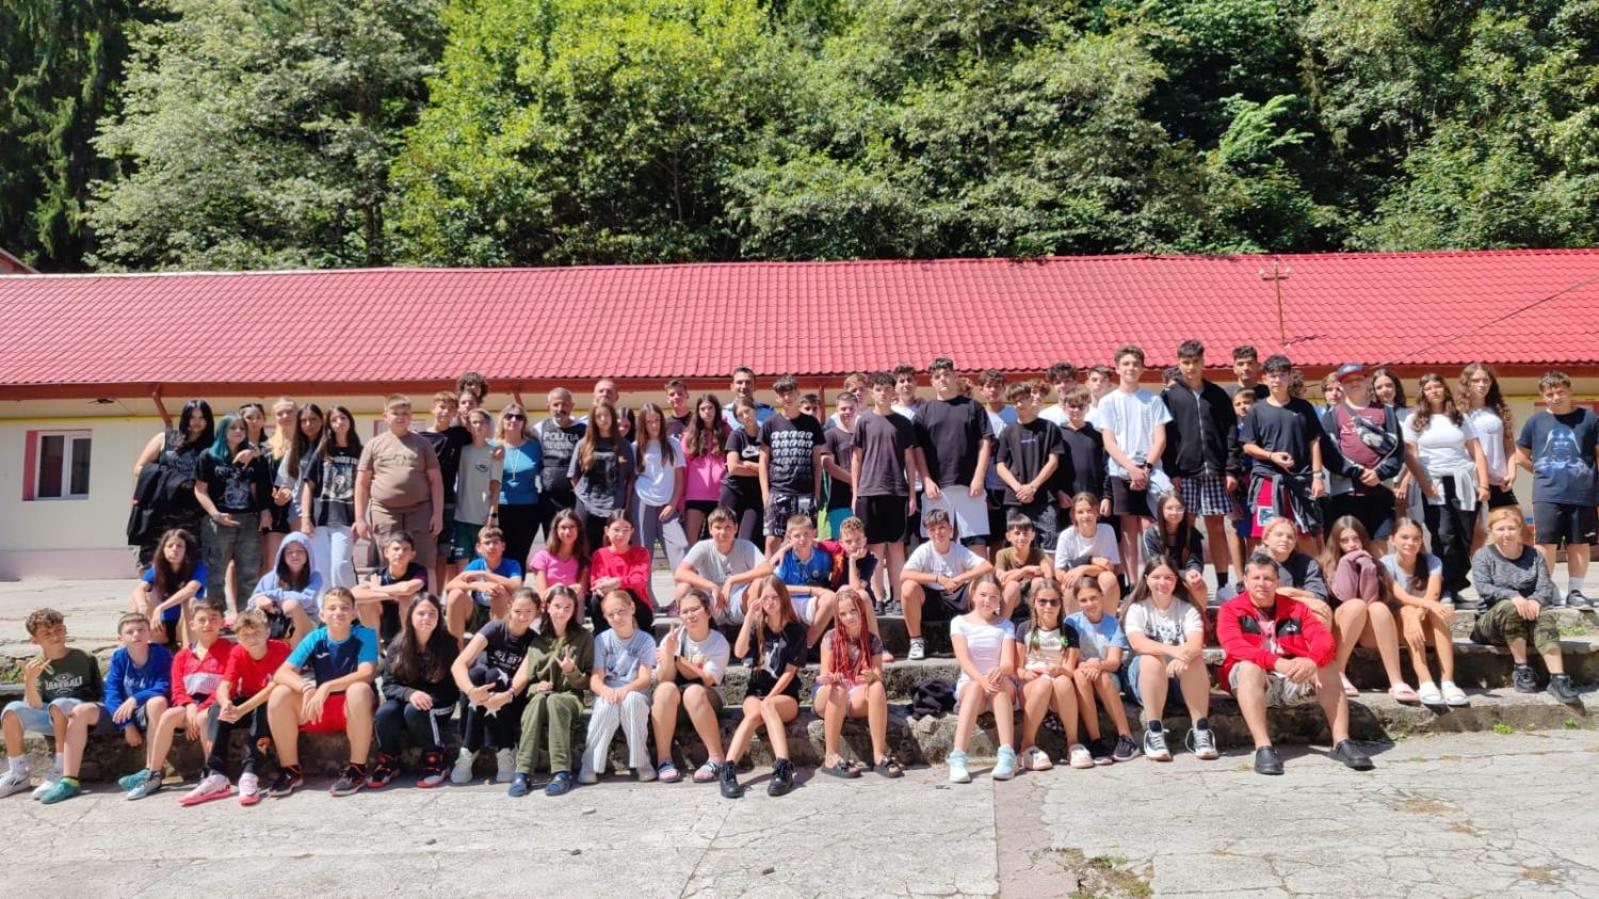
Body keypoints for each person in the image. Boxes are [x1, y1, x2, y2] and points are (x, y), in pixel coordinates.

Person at [1218, 553, 1373, 776]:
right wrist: (1276, 662)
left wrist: (1311, 660)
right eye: (1256, 578)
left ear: (1277, 582)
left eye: (1268, 579)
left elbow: (1324, 640)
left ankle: (1342, 742)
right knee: (1251, 666)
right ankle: (1263, 747)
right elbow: (1235, 647)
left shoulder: (1297, 608)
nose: (1262, 584)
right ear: (1246, 581)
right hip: (1251, 680)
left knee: (1327, 665)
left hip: (1293, 676)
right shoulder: (1230, 609)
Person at [263, 587, 378, 796]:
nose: (338, 612)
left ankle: (357, 769)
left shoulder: (365, 634)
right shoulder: (315, 637)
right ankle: (290, 771)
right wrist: (305, 687)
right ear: (323, 615)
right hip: (321, 708)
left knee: (358, 689)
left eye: (345, 608)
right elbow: (282, 673)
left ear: (354, 613)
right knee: (280, 694)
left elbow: (367, 673)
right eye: (332, 608)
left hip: (354, 708)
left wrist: (326, 686)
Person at [122, 598, 232, 801]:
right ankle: (154, 773)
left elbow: (227, 685)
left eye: (213, 619)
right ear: (192, 624)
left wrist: (200, 709)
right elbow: (178, 688)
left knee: (204, 718)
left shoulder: (230, 651)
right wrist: (189, 706)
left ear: (222, 622)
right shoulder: (183, 656)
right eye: (202, 620)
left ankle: (212, 772)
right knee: (169, 715)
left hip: (214, 705)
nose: (207, 624)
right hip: (189, 705)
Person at [1470, 507, 1580, 702]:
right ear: (1491, 530)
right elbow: (1484, 588)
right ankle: (1521, 669)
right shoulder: (1483, 555)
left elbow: (1545, 587)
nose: (1506, 534)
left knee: (1544, 617)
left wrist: (1536, 600)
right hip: (1490, 625)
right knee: (1511, 607)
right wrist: (1514, 596)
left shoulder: (1535, 555)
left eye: (1511, 528)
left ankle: (1558, 679)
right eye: (1500, 529)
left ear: (1520, 529)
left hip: (1528, 619)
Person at [0, 609, 108, 803]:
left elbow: (99, 692)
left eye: (59, 630)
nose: (55, 636)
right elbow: (34, 705)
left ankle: (61, 770)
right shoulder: (37, 665)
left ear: (65, 630)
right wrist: (29, 680)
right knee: (11, 710)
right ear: (34, 640)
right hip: (51, 716)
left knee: (59, 704)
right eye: (46, 634)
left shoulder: (83, 657)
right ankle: (18, 773)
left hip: (78, 716)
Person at [1404, 372, 1491, 606]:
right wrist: (1425, 484)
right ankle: (1443, 587)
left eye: (1438, 386)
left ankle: (1456, 586)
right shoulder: (1415, 420)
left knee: (1464, 535)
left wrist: (1483, 484)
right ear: (1423, 392)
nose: (1434, 391)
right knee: (1443, 534)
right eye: (1428, 388)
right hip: (1434, 482)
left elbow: (1476, 450)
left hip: (1463, 481)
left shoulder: (1460, 417)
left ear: (1445, 389)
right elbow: (1410, 455)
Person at [1515, 370, 1599, 608]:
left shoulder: (1589, 419)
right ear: (1543, 396)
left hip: (1583, 492)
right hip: (1547, 493)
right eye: (1549, 394)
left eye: (1560, 391)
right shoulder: (1535, 422)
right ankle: (1544, 591)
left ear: (1570, 391)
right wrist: (1542, 471)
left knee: (1579, 542)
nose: (1556, 397)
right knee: (1545, 543)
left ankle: (1575, 592)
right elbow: (1520, 456)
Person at [1120, 556, 1216, 761]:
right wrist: (1175, 652)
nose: (1162, 582)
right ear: (1146, 579)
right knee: (1151, 659)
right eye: (1156, 577)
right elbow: (1138, 644)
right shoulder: (1137, 608)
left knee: (1195, 660)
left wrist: (1184, 658)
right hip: (1145, 680)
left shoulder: (1187, 609)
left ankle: (1200, 731)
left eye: (1168, 577)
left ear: (1176, 581)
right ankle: (1154, 732)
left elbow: (1195, 643)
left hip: (1179, 679)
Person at [1161, 339, 1240, 589]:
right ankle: (1184, 580)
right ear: (1179, 363)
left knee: (1216, 527)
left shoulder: (1217, 394)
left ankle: (1223, 584)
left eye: (1195, 361)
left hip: (1215, 470)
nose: (1191, 367)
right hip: (1184, 472)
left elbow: (1230, 432)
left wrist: (1231, 468)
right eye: (1186, 362)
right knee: (1186, 527)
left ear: (1203, 362)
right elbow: (1165, 437)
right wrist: (1172, 471)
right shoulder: (1169, 396)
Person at [719, 577, 808, 799]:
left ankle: (783, 767)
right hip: (755, 692)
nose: (770, 602)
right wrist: (749, 616)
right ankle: (728, 770)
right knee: (753, 715)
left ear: (783, 598)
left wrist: (770, 697)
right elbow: (739, 652)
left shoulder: (796, 630)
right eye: (765, 598)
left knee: (768, 707)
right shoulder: (758, 626)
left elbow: (789, 672)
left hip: (785, 696)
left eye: (774, 597)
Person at [1092, 345, 1172, 577]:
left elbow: (1160, 439)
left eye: (1136, 364)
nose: (1131, 368)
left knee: (1151, 527)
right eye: (1126, 364)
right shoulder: (1108, 401)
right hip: (1121, 472)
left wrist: (1145, 469)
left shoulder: (1153, 400)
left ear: (1142, 368)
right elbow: (1109, 441)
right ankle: (1135, 583)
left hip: (1150, 472)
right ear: (1117, 368)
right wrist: (1130, 468)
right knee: (1128, 531)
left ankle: (1154, 578)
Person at [508, 586, 594, 797]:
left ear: (574, 609)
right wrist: (537, 687)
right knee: (538, 701)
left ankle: (561, 772)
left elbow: (589, 681)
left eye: (568, 607)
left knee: (555, 701)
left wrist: (571, 672)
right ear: (547, 607)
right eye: (557, 606)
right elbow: (528, 682)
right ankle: (522, 772)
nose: (562, 612)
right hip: (542, 697)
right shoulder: (538, 641)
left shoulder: (584, 637)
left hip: (571, 697)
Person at [449, 586, 539, 785]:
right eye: (518, 611)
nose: (522, 617)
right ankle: (469, 749)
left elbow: (522, 677)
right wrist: (472, 691)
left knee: (494, 675)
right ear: (509, 608)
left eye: (528, 612)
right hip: (479, 696)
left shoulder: (534, 640)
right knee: (476, 674)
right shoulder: (494, 629)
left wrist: (506, 695)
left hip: (511, 698)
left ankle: (506, 749)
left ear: (536, 612)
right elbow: (458, 664)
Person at [369, 594, 460, 789]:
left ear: (439, 617)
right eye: (421, 613)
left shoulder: (448, 644)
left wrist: (422, 698)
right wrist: (410, 694)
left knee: (415, 710)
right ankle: (389, 760)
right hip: (408, 699)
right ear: (410, 616)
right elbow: (388, 685)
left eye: (432, 613)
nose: (426, 618)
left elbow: (451, 687)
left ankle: (437, 758)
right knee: (385, 713)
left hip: (439, 702)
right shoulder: (398, 645)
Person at [1241, 354, 1326, 551]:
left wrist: (1317, 477)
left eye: (1282, 375)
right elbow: (1247, 445)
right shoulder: (1256, 410)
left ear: (1289, 377)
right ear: (1264, 378)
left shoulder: (1303, 408)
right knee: (1266, 535)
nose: (1277, 380)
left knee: (1304, 534)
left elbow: (1314, 442)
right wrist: (1271, 456)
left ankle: (1308, 572)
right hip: (1267, 481)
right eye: (1272, 375)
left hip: (1300, 481)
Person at [205, 609, 290, 806]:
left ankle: (250, 772)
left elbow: (273, 687)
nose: (252, 639)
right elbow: (225, 684)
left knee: (264, 707)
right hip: (248, 701)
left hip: (272, 704)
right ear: (238, 638)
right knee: (216, 710)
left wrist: (241, 710)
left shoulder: (281, 650)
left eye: (257, 632)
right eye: (245, 635)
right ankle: (216, 773)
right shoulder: (237, 652)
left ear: (267, 632)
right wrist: (226, 703)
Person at [1322, 516, 1412, 700]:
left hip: (1366, 633)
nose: (1352, 544)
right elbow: (1346, 597)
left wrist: (1368, 569)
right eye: (1345, 540)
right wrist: (1347, 562)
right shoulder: (1329, 566)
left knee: (1378, 608)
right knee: (1356, 605)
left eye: (1356, 539)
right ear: (1336, 542)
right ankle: (1338, 673)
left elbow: (1370, 601)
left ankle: (1396, 680)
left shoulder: (1374, 564)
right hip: (1341, 630)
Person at [852, 371, 921, 609]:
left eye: (887, 389)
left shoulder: (904, 423)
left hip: (897, 492)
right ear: (872, 393)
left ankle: (898, 598)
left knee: (896, 548)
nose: (883, 393)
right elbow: (857, 458)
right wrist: (855, 493)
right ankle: (878, 598)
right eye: (878, 389)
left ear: (894, 392)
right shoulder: (863, 422)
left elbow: (910, 460)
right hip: (869, 491)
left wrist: (912, 495)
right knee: (874, 548)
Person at [815, 587, 900, 778]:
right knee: (839, 688)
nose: (849, 617)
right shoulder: (830, 638)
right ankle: (830, 756)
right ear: (837, 616)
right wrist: (832, 678)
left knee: (877, 687)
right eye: (843, 614)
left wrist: (871, 676)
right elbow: (824, 675)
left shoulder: (872, 640)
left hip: (855, 694)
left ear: (861, 610)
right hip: (829, 695)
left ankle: (879, 755)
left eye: (853, 611)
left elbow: (878, 673)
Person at [649, 588, 732, 784]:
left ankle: (716, 758)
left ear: (708, 612)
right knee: (664, 690)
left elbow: (707, 679)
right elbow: (664, 678)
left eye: (695, 609)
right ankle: (664, 760)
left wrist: (676, 658)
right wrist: (669, 657)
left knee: (693, 692)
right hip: (677, 701)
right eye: (685, 611)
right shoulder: (672, 639)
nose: (690, 615)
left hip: (706, 698)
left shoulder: (718, 642)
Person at [1319, 365, 1407, 549]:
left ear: (1367, 381)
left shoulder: (1386, 411)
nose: (1354, 383)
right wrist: (1358, 472)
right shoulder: (1332, 415)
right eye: (1348, 381)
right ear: (1342, 385)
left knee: (1380, 544)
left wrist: (1379, 474)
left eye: (1358, 379)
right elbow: (1330, 454)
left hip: (1381, 489)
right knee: (1349, 544)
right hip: (1346, 492)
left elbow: (1397, 449)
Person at [355, 395, 445, 574]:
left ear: (411, 417)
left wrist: (437, 515)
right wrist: (360, 518)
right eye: (395, 413)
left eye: (405, 413)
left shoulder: (423, 444)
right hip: (385, 512)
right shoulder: (374, 444)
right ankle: (390, 593)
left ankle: (425, 593)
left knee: (424, 563)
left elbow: (436, 481)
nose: (400, 417)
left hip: (420, 511)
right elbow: (362, 483)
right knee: (388, 564)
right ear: (385, 416)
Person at [194, 413, 272, 618]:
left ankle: (247, 618)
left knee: (249, 573)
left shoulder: (254, 457)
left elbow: (260, 488)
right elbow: (200, 489)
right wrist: (215, 514)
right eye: (233, 427)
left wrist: (264, 511)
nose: (238, 431)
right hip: (219, 520)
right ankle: (216, 618)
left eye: (242, 428)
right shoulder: (209, 456)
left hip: (248, 520)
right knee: (215, 574)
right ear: (223, 431)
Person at [915, 357, 996, 556]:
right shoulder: (924, 412)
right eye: (937, 376)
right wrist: (926, 480)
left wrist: (979, 477)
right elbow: (917, 449)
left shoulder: (973, 407)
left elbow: (985, 442)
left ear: (955, 376)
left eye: (947, 374)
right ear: (932, 382)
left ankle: (979, 578)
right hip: (936, 489)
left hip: (970, 487)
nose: (942, 379)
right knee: (937, 541)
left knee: (976, 540)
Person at [1383, 519, 1468, 706]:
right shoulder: (1385, 563)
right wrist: (1415, 612)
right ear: (1392, 539)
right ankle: (1425, 681)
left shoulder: (1432, 561)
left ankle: (1448, 681)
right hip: (1397, 625)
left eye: (1416, 538)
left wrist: (1419, 612)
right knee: (1408, 610)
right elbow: (1400, 596)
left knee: (1437, 612)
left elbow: (1433, 594)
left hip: (1423, 622)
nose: (1411, 543)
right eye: (1405, 537)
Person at [577, 591, 656, 784]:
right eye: (611, 614)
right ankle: (590, 764)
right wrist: (606, 691)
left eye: (621, 611)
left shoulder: (646, 640)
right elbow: (596, 679)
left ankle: (642, 762)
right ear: (605, 617)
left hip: (635, 692)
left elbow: (645, 679)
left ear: (632, 608)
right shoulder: (601, 640)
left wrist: (625, 690)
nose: (617, 617)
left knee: (632, 702)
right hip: (610, 691)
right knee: (606, 705)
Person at [1013, 581, 1093, 771]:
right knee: (1043, 685)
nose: (1048, 606)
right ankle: (1026, 746)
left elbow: (1069, 669)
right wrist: (1027, 673)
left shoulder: (1068, 631)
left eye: (1053, 602)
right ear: (1034, 602)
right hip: (1033, 686)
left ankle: (1073, 744)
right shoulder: (1024, 629)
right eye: (1042, 602)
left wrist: (1059, 671)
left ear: (1060, 603)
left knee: (1063, 681)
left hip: (1058, 687)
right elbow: (1018, 668)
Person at [946, 577, 1018, 783]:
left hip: (999, 685)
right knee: (976, 686)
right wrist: (981, 679)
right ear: (973, 594)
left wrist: (999, 672)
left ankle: (1007, 755)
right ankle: (958, 757)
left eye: (994, 597)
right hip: (972, 684)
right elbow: (964, 660)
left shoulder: (1006, 625)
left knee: (999, 682)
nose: (987, 601)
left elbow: (1008, 663)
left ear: (1000, 599)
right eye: (983, 595)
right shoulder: (959, 623)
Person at [901, 509, 996, 661]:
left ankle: (981, 632)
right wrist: (937, 578)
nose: (937, 533)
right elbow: (904, 574)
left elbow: (987, 567)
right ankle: (916, 641)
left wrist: (961, 578)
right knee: (908, 587)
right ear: (927, 532)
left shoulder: (958, 549)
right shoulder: (924, 550)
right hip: (932, 600)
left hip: (957, 596)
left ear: (950, 529)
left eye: (942, 527)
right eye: (932, 529)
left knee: (981, 583)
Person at [132, 399, 215, 568]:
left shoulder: (212, 447)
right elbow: (139, 469)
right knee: (152, 564)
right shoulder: (166, 438)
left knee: (190, 564)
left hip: (193, 516)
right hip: (159, 511)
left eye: (202, 417)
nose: (197, 422)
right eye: (192, 417)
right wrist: (173, 479)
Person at [1062, 578, 1138, 764]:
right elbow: (1068, 657)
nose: (1090, 604)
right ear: (1078, 602)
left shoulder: (1114, 624)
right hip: (1082, 674)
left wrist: (1097, 665)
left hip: (1107, 675)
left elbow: (1114, 662)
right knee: (1079, 675)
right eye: (1084, 600)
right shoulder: (1071, 622)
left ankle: (1126, 736)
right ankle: (1095, 740)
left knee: (1102, 677)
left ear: (1102, 597)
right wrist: (1085, 666)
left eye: (1093, 598)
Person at [758, 374, 829, 554]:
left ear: (798, 393)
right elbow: (763, 461)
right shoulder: (770, 423)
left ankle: (803, 571)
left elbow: (817, 462)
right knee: (772, 540)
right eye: (782, 394)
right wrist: (766, 495)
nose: (787, 397)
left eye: (790, 393)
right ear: (777, 398)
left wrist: (817, 493)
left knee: (805, 540)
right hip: (778, 491)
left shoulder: (811, 423)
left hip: (805, 492)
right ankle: (770, 572)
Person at [995, 382, 1065, 549]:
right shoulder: (1007, 432)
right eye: (1015, 402)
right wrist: (1019, 488)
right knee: (1016, 544)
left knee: (1050, 542)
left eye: (1023, 399)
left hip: (1044, 497)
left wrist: (1033, 487)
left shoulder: (1049, 428)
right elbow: (1000, 465)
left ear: (1031, 398)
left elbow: (1053, 461)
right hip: (1016, 498)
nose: (1020, 404)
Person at [674, 506, 772, 623]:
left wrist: (732, 580)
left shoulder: (746, 546)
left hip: (738, 600)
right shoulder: (702, 547)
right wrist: (712, 586)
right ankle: (693, 629)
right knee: (683, 588)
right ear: (710, 529)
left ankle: (752, 627)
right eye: (718, 527)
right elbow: (680, 573)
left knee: (759, 583)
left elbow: (767, 569)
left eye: (728, 527)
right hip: (710, 601)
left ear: (736, 528)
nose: (723, 532)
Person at [301, 405, 362, 590]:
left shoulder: (360, 451)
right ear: (329, 425)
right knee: (322, 569)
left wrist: (361, 519)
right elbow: (308, 486)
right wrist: (305, 518)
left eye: (343, 418)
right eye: (334, 420)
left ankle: (350, 602)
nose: (339, 423)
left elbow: (366, 487)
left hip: (346, 518)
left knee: (340, 565)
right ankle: (326, 606)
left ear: (350, 421)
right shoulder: (322, 452)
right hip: (320, 519)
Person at [569, 400, 635, 551]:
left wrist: (627, 504)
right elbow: (574, 475)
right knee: (585, 548)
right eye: (599, 416)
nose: (603, 419)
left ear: (612, 417)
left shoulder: (623, 445)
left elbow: (631, 477)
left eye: (607, 415)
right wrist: (582, 497)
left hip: (613, 505)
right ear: (593, 419)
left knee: (611, 548)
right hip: (586, 505)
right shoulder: (584, 444)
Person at [421, 391, 472, 583]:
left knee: (441, 553)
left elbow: (482, 439)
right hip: (422, 502)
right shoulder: (421, 437)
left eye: (451, 408)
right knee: (423, 551)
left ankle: (438, 595)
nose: (445, 412)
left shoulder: (459, 435)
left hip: (447, 501)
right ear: (432, 409)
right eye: (442, 407)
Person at [633, 402, 689, 572]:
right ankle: (644, 591)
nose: (654, 425)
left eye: (657, 420)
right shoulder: (635, 447)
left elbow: (679, 478)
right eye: (649, 422)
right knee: (643, 552)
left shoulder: (673, 444)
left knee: (680, 547)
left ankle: (682, 588)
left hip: (668, 504)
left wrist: (672, 504)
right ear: (643, 424)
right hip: (642, 502)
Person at [768, 514, 840, 644]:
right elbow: (775, 588)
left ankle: (808, 645)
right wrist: (810, 590)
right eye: (797, 536)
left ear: (814, 534)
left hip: (809, 603)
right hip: (788, 602)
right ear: (789, 537)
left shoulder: (823, 558)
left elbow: (826, 582)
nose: (803, 539)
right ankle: (778, 644)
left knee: (831, 598)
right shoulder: (784, 558)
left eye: (806, 534)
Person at [444, 527, 524, 642]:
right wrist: (477, 585)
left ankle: (497, 646)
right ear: (479, 548)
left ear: (503, 546)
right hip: (477, 614)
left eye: (496, 542)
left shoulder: (512, 565)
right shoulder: (476, 564)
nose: (492, 546)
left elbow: (516, 587)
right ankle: (456, 649)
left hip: (503, 617)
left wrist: (485, 574)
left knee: (500, 593)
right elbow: (450, 585)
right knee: (455, 595)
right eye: (487, 543)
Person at [1460, 363, 1519, 516]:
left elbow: (1509, 446)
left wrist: (1512, 473)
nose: (1482, 384)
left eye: (1486, 380)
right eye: (1476, 380)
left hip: (1500, 480)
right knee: (1472, 527)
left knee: (1512, 521)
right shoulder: (1459, 413)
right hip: (1472, 480)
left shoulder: (1499, 411)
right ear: (1467, 383)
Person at [130, 529, 206, 646]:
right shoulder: (157, 568)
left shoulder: (198, 567)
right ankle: (133, 645)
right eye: (170, 546)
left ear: (186, 550)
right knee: (141, 598)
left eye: (179, 546)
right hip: (161, 625)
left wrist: (161, 607)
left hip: (185, 625)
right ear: (163, 549)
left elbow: (190, 590)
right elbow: (139, 589)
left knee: (190, 601)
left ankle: (188, 650)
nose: (174, 549)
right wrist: (142, 606)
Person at [351, 533, 429, 644]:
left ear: (412, 555)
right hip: (384, 623)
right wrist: (390, 595)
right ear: (386, 553)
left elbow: (406, 588)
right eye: (396, 549)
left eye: (405, 549)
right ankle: (374, 649)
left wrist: (377, 588)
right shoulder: (378, 574)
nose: (400, 553)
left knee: (406, 599)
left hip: (411, 625)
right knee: (365, 603)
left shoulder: (418, 571)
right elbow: (353, 594)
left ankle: (408, 647)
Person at [1052, 492, 1122, 615]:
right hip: (1077, 578)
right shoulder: (1066, 536)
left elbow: (1112, 568)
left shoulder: (1107, 530)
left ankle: (1108, 621)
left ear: (1097, 512)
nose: (1086, 516)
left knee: (1109, 579)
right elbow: (1059, 573)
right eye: (1080, 512)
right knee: (1069, 584)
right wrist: (1092, 561)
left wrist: (1083, 568)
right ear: (1073, 515)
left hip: (1098, 578)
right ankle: (1073, 624)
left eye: (1089, 511)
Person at [249, 531, 323, 646]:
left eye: (300, 551)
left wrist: (271, 595)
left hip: (307, 625)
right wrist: (260, 600)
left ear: (308, 554)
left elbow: (306, 599)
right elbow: (252, 603)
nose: (295, 555)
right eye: (289, 552)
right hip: (277, 623)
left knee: (291, 605)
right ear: (282, 556)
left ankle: (297, 652)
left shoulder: (315, 576)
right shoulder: (270, 578)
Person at [450, 408, 502, 567]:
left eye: (482, 422)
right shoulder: (462, 450)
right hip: (461, 517)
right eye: (474, 422)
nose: (478, 426)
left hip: (483, 518)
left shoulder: (495, 452)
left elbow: (496, 486)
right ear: (468, 426)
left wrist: (492, 514)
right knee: (462, 564)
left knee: (483, 563)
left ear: (488, 425)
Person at [1053, 384, 1110, 529]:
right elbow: (1051, 467)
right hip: (1067, 498)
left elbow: (1107, 468)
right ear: (1064, 407)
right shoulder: (1056, 435)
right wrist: (1058, 492)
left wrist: (1106, 497)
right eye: (1072, 406)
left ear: (1087, 408)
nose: (1076, 410)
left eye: (1081, 406)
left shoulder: (1098, 436)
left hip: (1094, 497)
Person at [1140, 494, 1209, 613]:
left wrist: (1194, 571)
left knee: (1198, 585)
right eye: (1169, 508)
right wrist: (1183, 574)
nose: (1175, 512)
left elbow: (1195, 559)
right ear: (1161, 510)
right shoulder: (1151, 534)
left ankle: (1200, 618)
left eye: (1179, 508)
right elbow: (1154, 566)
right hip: (1159, 579)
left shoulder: (1191, 533)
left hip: (1183, 578)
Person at [534, 387, 585, 545]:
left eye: (564, 404)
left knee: (575, 541)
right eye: (556, 404)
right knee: (552, 541)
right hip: (549, 499)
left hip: (576, 498)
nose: (560, 408)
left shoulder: (584, 430)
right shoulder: (539, 429)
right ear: (548, 406)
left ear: (572, 406)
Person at [588, 510, 656, 631]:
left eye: (626, 530)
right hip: (608, 605)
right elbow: (595, 584)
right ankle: (601, 635)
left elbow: (639, 580)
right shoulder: (599, 554)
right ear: (607, 531)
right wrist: (605, 586)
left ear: (632, 531)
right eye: (616, 530)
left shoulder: (641, 553)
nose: (621, 534)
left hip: (637, 607)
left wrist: (617, 582)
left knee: (628, 592)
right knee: (596, 599)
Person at [977, 370, 1020, 540]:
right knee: (991, 536)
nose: (993, 390)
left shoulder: (1015, 415)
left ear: (1004, 388)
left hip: (1013, 484)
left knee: (1012, 534)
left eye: (997, 386)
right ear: (981, 390)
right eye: (988, 386)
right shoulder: (977, 415)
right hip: (986, 484)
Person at [682, 393, 730, 545]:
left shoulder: (726, 431)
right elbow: (683, 469)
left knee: (719, 542)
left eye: (710, 408)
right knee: (691, 543)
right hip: (694, 496)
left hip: (719, 495)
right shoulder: (690, 435)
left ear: (716, 410)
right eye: (703, 409)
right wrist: (681, 499)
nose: (707, 412)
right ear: (698, 412)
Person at [722, 396, 768, 543]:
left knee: (746, 538)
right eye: (740, 415)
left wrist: (749, 464)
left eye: (747, 411)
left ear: (755, 411)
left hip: (756, 495)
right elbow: (733, 467)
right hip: (734, 491)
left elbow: (772, 467)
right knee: (725, 535)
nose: (745, 416)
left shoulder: (767, 435)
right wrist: (761, 470)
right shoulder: (736, 435)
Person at [995, 512, 1054, 620]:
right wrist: (1025, 570)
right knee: (1012, 585)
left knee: (1038, 581)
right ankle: (1003, 623)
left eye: (1025, 533)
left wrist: (1011, 574)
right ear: (1008, 536)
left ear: (1032, 536)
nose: (1021, 537)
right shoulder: (1002, 554)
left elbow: (1048, 575)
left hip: (1032, 596)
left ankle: (1039, 621)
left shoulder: (1037, 553)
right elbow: (1000, 581)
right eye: (1017, 533)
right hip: (1013, 596)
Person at [529, 508, 591, 599]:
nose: (567, 532)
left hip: (572, 606)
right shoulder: (542, 557)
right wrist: (559, 588)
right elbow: (542, 596)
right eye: (563, 527)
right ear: (556, 530)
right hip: (548, 606)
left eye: (572, 527)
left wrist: (577, 590)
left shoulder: (583, 561)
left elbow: (581, 597)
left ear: (578, 530)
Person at [822, 391, 859, 538]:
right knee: (842, 544)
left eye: (851, 408)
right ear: (836, 410)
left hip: (864, 499)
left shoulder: (864, 434)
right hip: (840, 501)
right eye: (843, 409)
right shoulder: (830, 435)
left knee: (864, 544)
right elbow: (827, 464)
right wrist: (854, 481)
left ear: (857, 408)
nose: (847, 412)